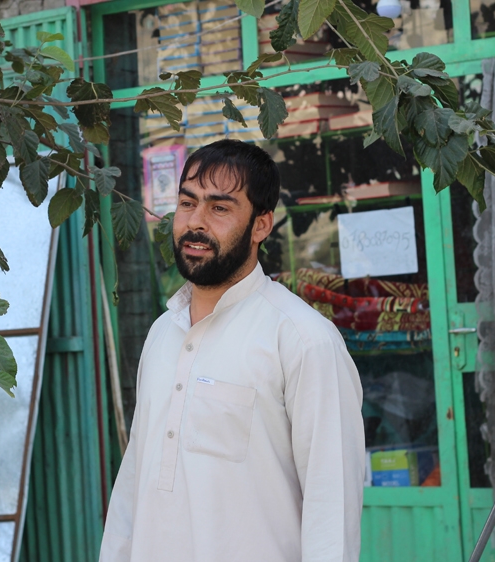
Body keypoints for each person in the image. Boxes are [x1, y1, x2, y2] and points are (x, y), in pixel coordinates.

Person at [99, 139, 365, 562]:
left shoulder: (301, 339)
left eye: (219, 208)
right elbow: (134, 480)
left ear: (261, 225)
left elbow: (332, 504)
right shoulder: (162, 333)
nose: (195, 222)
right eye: (188, 203)